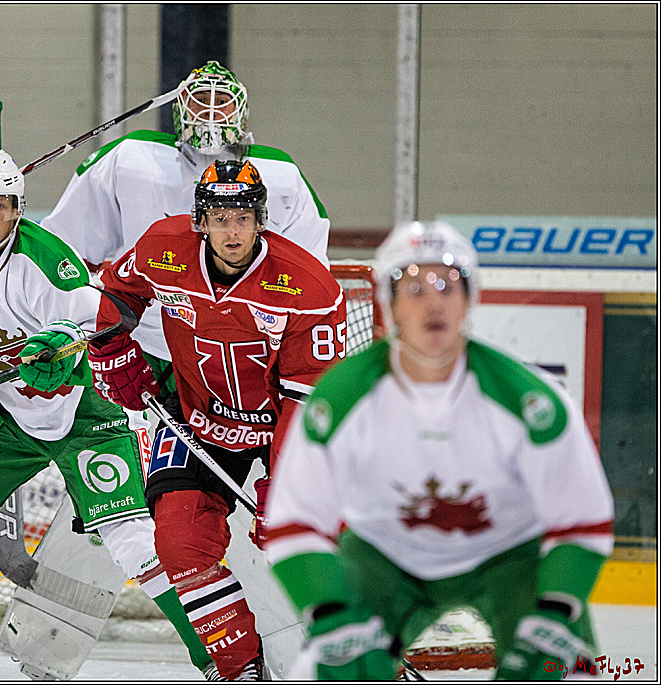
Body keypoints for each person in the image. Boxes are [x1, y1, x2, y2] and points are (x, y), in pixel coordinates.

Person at [0, 150, 215, 681]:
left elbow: (101, 323)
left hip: (86, 407)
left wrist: (61, 346)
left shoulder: (48, 258)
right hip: (8, 415)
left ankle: (223, 659)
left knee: (134, 542)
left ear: (18, 207)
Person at [264, 221, 615, 680]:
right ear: (389, 306)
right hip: (383, 556)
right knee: (322, 671)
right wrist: (331, 617)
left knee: (568, 670)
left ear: (470, 300)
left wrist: (554, 612)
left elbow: (582, 521)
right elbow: (296, 520)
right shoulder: (343, 397)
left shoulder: (529, 401)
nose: (434, 302)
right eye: (414, 286)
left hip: (509, 556)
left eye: (448, 285)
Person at [46, 159, 347, 679]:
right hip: (193, 419)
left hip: (280, 429)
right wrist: (112, 353)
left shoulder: (309, 287)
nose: (233, 231)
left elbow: (309, 400)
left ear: (262, 220)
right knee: (180, 546)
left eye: (244, 217)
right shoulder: (163, 248)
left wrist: (289, 482)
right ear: (200, 220)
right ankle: (239, 669)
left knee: (312, 547)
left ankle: (365, 648)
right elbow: (118, 292)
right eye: (221, 216)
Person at [40, 60, 331, 396]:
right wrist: (86, 331)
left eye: (221, 101)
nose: (209, 111)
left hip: (247, 355)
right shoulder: (130, 159)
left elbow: (309, 283)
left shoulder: (283, 176)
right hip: (145, 345)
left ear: (242, 111)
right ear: (179, 108)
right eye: (199, 99)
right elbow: (65, 253)